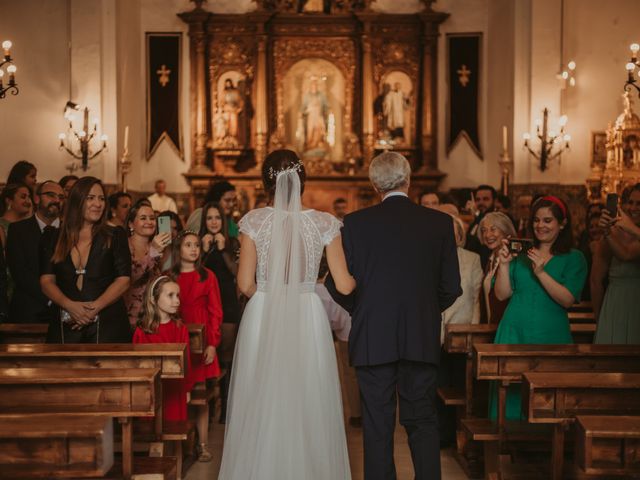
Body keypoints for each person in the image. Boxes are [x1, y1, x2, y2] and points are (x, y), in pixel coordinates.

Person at [219, 149, 355, 479]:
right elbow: (346, 287)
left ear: (265, 182)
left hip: (262, 311)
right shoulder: (325, 223)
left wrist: (272, 296)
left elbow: (245, 283)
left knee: (260, 395)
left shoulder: (253, 221)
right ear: (302, 180)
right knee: (307, 395)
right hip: (307, 311)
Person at [326, 151, 462, 480]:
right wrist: (425, 311)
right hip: (420, 335)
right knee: (423, 421)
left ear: (374, 184)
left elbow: (335, 283)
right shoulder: (439, 223)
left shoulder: (356, 223)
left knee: (376, 426)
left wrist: (364, 310)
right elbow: (451, 286)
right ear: (409, 179)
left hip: (373, 337)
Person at [491, 196, 587, 419]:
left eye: (547, 220)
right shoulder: (521, 255)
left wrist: (541, 273)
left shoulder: (574, 258)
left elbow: (567, 299)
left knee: (547, 396)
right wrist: (504, 266)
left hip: (551, 334)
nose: (540, 226)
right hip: (514, 332)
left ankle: (547, 446)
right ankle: (508, 443)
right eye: (536, 220)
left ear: (562, 224)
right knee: (510, 392)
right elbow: (502, 294)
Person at [40, 177, 131, 343]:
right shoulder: (53, 236)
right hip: (65, 325)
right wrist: (69, 305)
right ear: (77, 200)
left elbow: (123, 280)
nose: (98, 204)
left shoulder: (115, 235)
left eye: (101, 198)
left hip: (107, 327)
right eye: (90, 198)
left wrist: (93, 309)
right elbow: (46, 281)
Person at [171, 230, 223, 462]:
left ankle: (202, 444)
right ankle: (180, 444)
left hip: (201, 342)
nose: (193, 249)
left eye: (196, 245)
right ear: (178, 249)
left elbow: (215, 312)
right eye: (187, 245)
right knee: (179, 394)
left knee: (200, 397)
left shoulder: (207, 276)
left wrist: (212, 344)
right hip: (177, 340)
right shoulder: (169, 276)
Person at [438, 215, 481, 447]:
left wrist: (472, 331)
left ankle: (459, 435)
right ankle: (441, 434)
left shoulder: (472, 259)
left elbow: (475, 298)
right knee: (437, 384)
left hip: (462, 330)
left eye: (452, 231)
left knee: (459, 384)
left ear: (460, 235)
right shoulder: (429, 258)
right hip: (435, 331)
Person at [199, 202, 240, 423]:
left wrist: (223, 249)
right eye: (209, 218)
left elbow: (237, 272)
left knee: (227, 357)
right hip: (203, 304)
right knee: (204, 355)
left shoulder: (231, 242)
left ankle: (226, 410)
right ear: (204, 221)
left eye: (217, 218)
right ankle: (204, 408)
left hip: (227, 302)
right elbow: (192, 271)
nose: (213, 222)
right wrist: (203, 251)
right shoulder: (197, 243)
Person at [133, 275, 191, 421]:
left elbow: (186, 362)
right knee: (154, 435)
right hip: (151, 391)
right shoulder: (142, 331)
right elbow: (137, 366)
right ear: (153, 299)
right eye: (170, 296)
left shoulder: (180, 328)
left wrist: (187, 390)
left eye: (177, 295)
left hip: (175, 390)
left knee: (175, 430)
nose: (177, 301)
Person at [7, 181, 64, 324]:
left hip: (67, 312)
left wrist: (64, 302)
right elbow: (19, 272)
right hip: (28, 311)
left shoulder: (70, 232)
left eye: (61, 197)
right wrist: (52, 299)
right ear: (37, 199)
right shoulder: (17, 230)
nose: (56, 200)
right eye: (51, 195)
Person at [315, 254, 361, 427]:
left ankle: (352, 413)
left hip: (320, 333)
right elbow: (340, 318)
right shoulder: (333, 287)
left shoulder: (311, 290)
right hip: (347, 329)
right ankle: (358, 412)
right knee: (351, 373)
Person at [592, 184, 640, 344]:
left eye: (639, 204)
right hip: (616, 304)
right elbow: (595, 280)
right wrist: (601, 319)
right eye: (630, 202)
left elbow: (627, 254)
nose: (633, 208)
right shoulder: (615, 232)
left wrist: (631, 228)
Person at [123, 201, 171, 328]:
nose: (149, 222)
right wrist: (153, 253)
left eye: (152, 218)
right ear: (131, 224)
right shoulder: (124, 246)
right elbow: (130, 277)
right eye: (143, 218)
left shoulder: (156, 245)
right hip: (131, 315)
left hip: (154, 315)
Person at [477, 212, 517, 324]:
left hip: (508, 326)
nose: (487, 235)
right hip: (492, 326)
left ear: (505, 231)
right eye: (484, 230)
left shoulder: (514, 259)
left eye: (493, 229)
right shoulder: (490, 259)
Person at [465, 184, 500, 268]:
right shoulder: (476, 219)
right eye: (478, 199)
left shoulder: (499, 218)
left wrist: (476, 213)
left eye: (485, 199)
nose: (481, 203)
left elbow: (486, 221)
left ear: (494, 201)